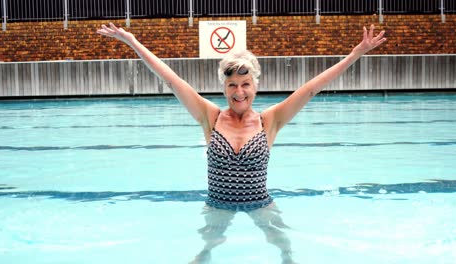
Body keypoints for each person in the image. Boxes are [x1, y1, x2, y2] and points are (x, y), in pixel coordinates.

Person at [97, 23, 386, 263]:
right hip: (217, 205)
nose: (239, 92)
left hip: (260, 203)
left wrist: (356, 53)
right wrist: (132, 41)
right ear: (224, 87)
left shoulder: (269, 121)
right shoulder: (209, 117)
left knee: (284, 246)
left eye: (245, 84)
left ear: (255, 86)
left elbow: (311, 89)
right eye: (232, 85)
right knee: (206, 248)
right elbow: (171, 81)